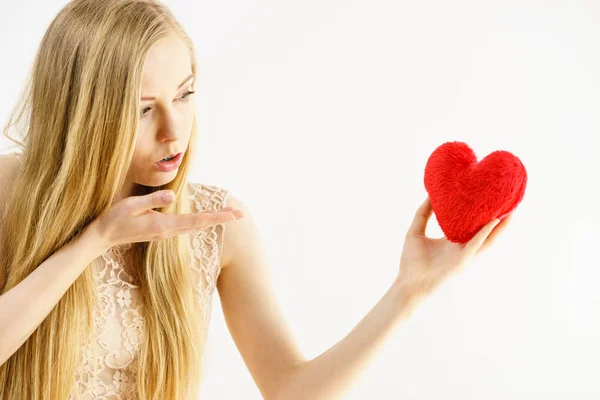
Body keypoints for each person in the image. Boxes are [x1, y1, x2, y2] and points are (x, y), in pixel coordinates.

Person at [0, 0, 513, 399]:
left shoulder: (217, 225)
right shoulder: (9, 192)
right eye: (142, 110)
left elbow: (290, 389)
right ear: (83, 113)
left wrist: (408, 292)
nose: (174, 131)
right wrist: (96, 240)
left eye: (184, 94)